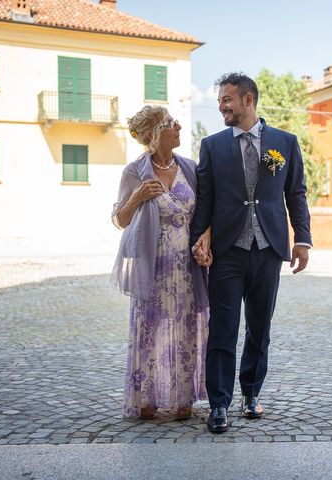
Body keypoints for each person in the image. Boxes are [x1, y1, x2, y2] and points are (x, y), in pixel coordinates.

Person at [190, 73, 312, 433]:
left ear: (248, 99)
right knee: (223, 330)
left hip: (269, 250)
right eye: (219, 102)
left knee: (260, 329)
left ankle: (251, 394)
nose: (222, 107)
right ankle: (219, 405)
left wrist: (302, 239)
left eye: (227, 100)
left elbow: (296, 194)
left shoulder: (284, 143)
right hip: (228, 251)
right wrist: (200, 239)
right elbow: (205, 199)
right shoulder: (212, 146)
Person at [111, 105, 211, 420]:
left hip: (186, 267)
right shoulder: (134, 171)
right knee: (150, 329)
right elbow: (120, 219)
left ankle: (183, 397)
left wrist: (205, 238)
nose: (179, 126)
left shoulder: (190, 168)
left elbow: (207, 213)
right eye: (171, 123)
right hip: (152, 267)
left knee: (185, 327)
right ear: (156, 134)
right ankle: (146, 397)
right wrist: (137, 196)